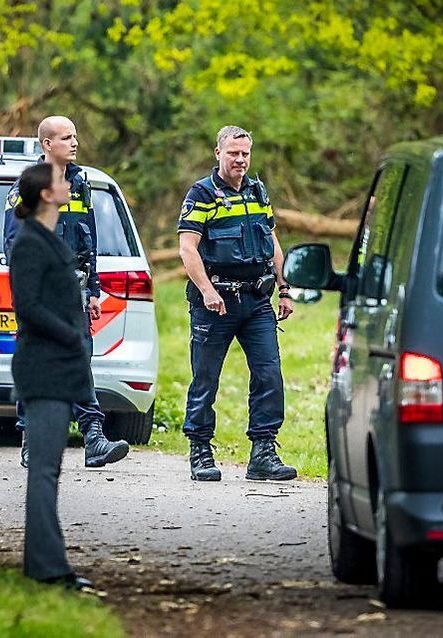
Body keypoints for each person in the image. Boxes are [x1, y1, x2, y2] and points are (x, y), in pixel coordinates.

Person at [3, 115, 128, 469]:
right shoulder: (26, 189)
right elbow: (15, 245)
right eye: (66, 138)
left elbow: (89, 240)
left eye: (76, 136)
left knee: (78, 361)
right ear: (47, 144)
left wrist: (93, 290)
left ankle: (93, 439)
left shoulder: (81, 184)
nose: (74, 143)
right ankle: (32, 439)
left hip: (74, 292)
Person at [177, 125, 298, 482]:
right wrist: (206, 291)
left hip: (257, 301)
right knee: (206, 377)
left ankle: (263, 452)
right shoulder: (201, 194)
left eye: (245, 153)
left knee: (269, 374)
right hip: (216, 303)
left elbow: (272, 241)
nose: (240, 160)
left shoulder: (257, 191)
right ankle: (199, 448)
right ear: (218, 153)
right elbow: (188, 248)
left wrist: (285, 287)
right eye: (233, 153)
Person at [9, 162, 94, 589]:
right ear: (45, 194)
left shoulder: (50, 238)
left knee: (51, 471)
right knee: (43, 471)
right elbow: (29, 307)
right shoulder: (28, 243)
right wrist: (71, 335)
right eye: (61, 181)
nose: (67, 185)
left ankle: (50, 564)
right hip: (42, 368)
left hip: (61, 369)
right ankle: (47, 570)